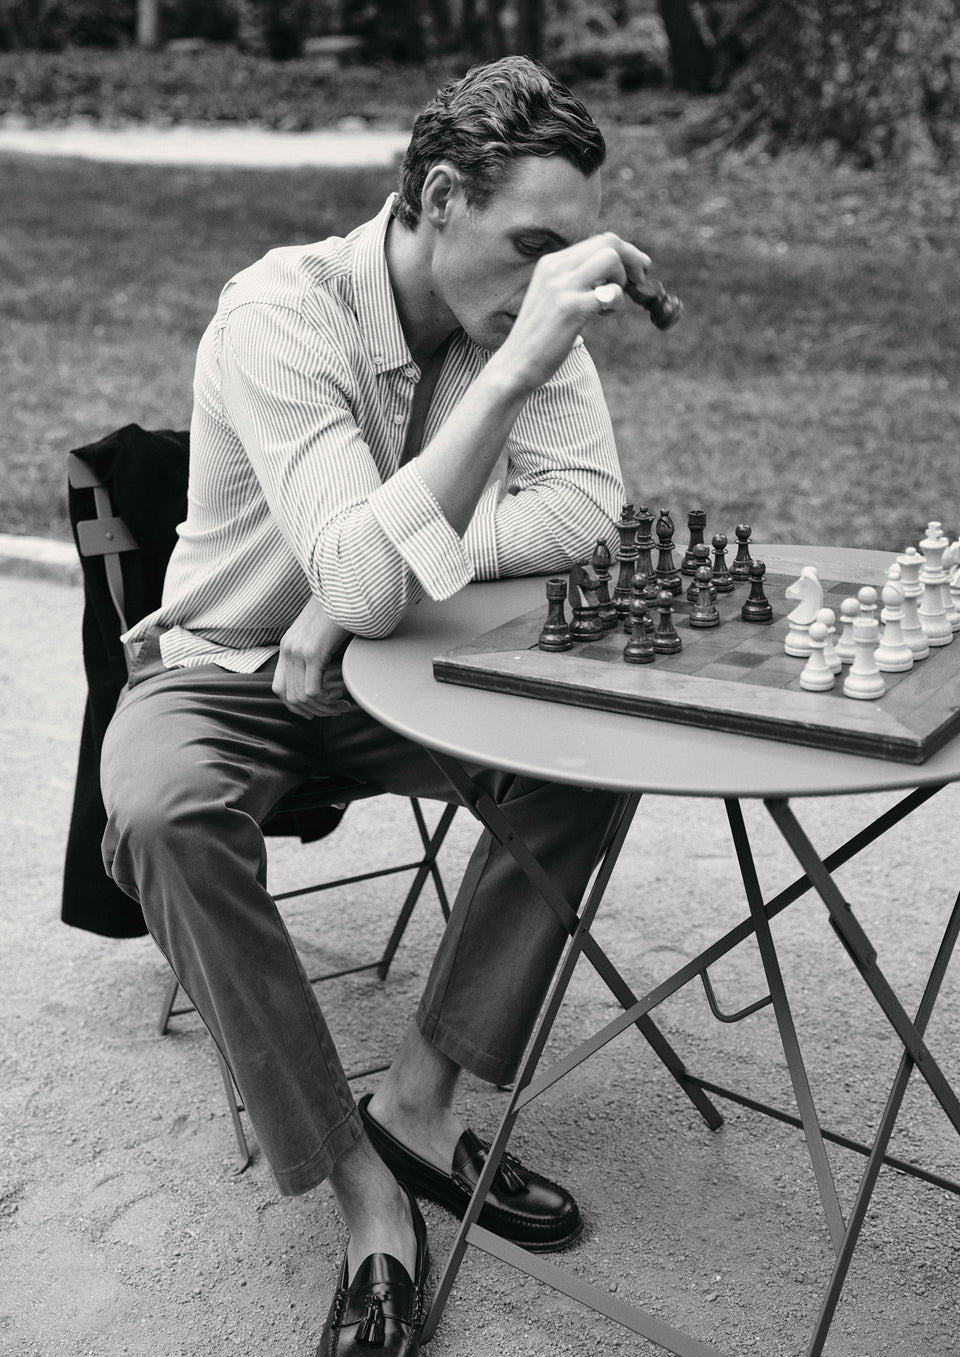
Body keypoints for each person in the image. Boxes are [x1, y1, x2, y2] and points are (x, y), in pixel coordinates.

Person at [100, 54, 660, 1357]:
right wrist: (508, 383)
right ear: (441, 196)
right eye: (531, 243)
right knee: (162, 810)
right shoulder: (278, 314)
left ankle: (421, 1102)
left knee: (591, 749)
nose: (552, 281)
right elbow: (357, 559)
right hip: (227, 671)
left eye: (567, 252)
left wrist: (344, 607)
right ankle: (364, 1194)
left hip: (385, 661)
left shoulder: (515, 305)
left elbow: (585, 508)